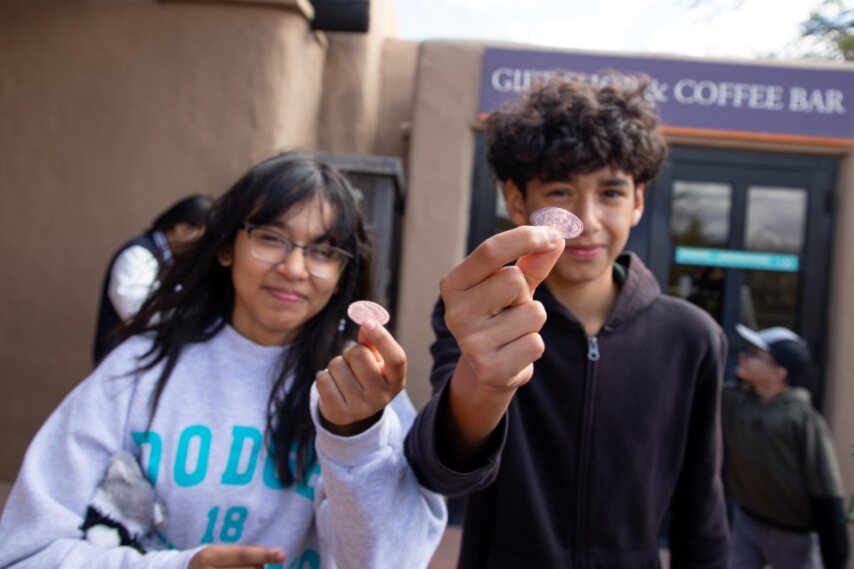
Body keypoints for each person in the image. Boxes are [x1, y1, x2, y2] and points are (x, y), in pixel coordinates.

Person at [0, 152, 447, 568]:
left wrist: (357, 439)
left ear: (341, 274)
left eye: (323, 250)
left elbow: (391, 561)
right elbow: (24, 550)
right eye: (271, 238)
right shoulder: (140, 369)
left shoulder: (359, 386)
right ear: (226, 247)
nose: (294, 268)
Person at [405, 76, 731, 567]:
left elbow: (701, 512)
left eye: (612, 192)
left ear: (638, 201)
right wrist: (484, 381)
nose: (588, 219)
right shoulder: (483, 316)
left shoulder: (692, 337)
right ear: (516, 199)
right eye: (560, 190)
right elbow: (442, 469)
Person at [724, 324, 849, 569]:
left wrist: (835, 555)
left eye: (754, 354)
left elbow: (826, 490)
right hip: (747, 520)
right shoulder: (736, 402)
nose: (744, 357)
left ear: (779, 373)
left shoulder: (801, 418)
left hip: (793, 535)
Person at [93, 193, 213, 364]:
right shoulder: (137, 255)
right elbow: (138, 313)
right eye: (203, 237)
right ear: (182, 228)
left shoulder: (173, 261)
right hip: (123, 368)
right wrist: (193, 317)